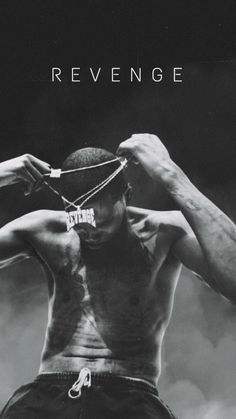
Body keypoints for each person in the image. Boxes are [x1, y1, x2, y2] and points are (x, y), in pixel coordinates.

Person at [0, 133, 236, 419]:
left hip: (129, 398)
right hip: (48, 395)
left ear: (126, 196)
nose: (90, 232)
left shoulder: (165, 231)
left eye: (102, 220)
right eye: (81, 223)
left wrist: (170, 174)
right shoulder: (44, 230)